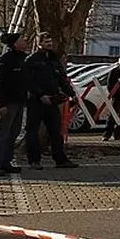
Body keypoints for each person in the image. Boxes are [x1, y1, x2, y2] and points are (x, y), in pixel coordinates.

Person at [23, 33, 78, 169]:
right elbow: (28, 81)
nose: (50, 44)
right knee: (32, 130)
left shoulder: (53, 59)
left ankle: (60, 159)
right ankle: (34, 160)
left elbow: (61, 79)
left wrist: (71, 94)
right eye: (46, 42)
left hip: (52, 100)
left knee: (55, 131)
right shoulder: (32, 60)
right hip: (36, 101)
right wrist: (41, 95)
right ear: (39, 43)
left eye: (50, 41)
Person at [0, 33, 28, 176]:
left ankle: (6, 161)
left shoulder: (24, 59)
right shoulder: (6, 60)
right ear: (15, 43)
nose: (25, 40)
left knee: (13, 132)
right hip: (8, 102)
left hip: (19, 101)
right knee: (2, 133)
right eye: (22, 39)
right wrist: (0, 103)